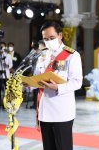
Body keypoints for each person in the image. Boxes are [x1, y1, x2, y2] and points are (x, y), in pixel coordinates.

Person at [34, 21, 83, 150]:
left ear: (60, 35)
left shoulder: (72, 55)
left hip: (61, 111)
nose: (48, 41)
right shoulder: (43, 55)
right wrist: (27, 82)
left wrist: (58, 87)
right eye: (45, 39)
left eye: (51, 38)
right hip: (45, 110)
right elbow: (37, 76)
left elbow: (77, 82)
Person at [0, 42, 13, 108]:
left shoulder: (8, 55)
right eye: (0, 47)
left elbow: (11, 65)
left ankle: (8, 102)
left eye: (3, 47)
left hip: (6, 74)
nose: (2, 48)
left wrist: (7, 65)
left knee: (7, 88)